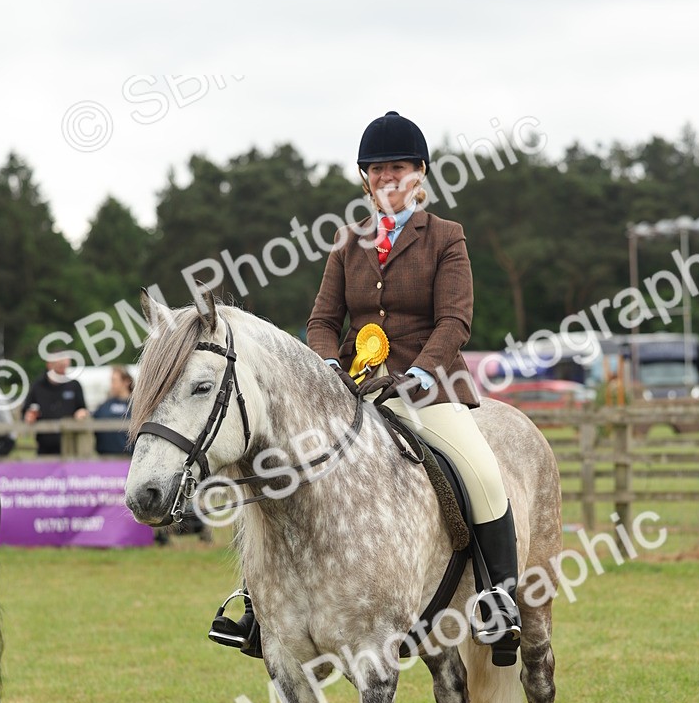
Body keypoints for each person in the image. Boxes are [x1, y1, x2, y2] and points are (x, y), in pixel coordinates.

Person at [210, 110, 522, 665]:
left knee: (483, 474)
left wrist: (419, 372)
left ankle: (499, 600)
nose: (388, 179)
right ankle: (259, 606)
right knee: (283, 467)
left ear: (420, 174)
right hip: (353, 390)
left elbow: (455, 322)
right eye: (377, 171)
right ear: (365, 180)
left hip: (429, 389)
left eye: (398, 168)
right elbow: (322, 321)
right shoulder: (347, 241)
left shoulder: (446, 238)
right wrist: (329, 366)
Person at [22, 357, 88, 455]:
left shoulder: (74, 386)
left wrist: (82, 414)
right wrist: (28, 416)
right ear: (49, 365)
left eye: (64, 367)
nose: (62, 371)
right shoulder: (37, 386)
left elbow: (82, 409)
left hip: (70, 446)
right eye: (59, 367)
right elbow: (26, 411)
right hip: (44, 446)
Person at [93, 366, 134, 455]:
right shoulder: (105, 405)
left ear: (126, 382)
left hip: (129, 459)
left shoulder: (136, 405)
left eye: (114, 381)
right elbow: (93, 417)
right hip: (105, 459)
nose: (111, 385)